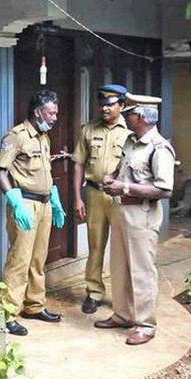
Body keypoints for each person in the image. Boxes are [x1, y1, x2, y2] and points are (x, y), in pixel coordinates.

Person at [96, 92, 175, 345]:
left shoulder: (159, 148)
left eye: (129, 113)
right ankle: (123, 315)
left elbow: (164, 189)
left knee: (142, 271)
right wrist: (111, 178)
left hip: (142, 216)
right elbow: (123, 169)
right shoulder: (131, 141)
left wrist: (125, 188)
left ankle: (145, 325)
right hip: (121, 212)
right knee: (119, 267)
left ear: (140, 117)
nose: (126, 117)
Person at [0, 89, 66, 336]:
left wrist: (54, 198)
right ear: (37, 112)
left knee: (38, 260)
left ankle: (34, 305)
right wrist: (14, 200)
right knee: (19, 260)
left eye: (55, 113)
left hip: (44, 205)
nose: (55, 117)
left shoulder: (44, 137)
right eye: (51, 113)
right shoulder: (17, 136)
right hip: (25, 204)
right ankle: (7, 314)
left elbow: (44, 171)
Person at [73, 85, 131, 314]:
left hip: (120, 197)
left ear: (122, 105)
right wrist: (77, 197)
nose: (104, 108)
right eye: (102, 104)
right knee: (95, 245)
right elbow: (78, 164)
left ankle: (122, 295)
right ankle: (94, 292)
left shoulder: (130, 133)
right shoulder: (88, 130)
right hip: (94, 194)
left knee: (121, 247)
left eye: (110, 104)